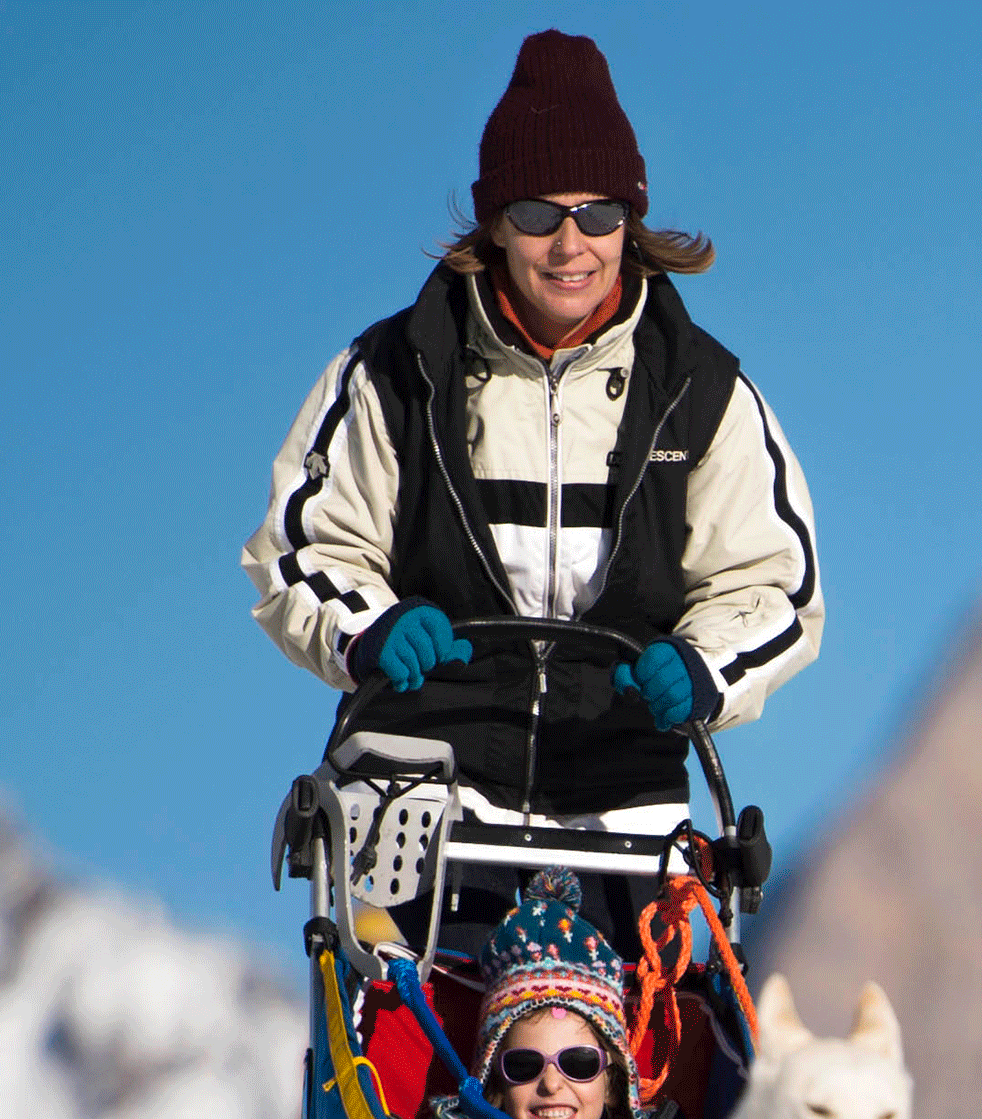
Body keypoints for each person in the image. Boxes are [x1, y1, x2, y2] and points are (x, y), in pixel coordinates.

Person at [244, 30, 821, 952]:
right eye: (537, 211)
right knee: (416, 1056)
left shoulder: (702, 394)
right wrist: (371, 627)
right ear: (492, 223)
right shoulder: (395, 373)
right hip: (418, 789)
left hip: (619, 809)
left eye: (597, 214)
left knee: (631, 1070)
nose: (570, 243)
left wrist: (704, 667)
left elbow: (776, 586)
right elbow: (302, 551)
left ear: (631, 220)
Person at [407, 868, 645, 1119]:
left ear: (611, 1085)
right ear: (497, 1085)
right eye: (524, 1065)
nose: (551, 1084)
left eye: (579, 1063)